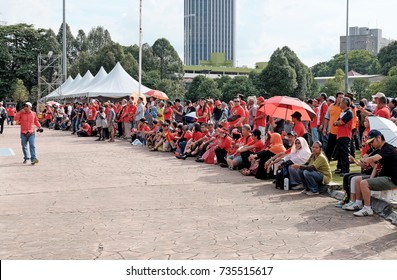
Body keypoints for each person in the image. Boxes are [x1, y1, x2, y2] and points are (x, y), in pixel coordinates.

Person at [345, 130, 397, 217]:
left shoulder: (388, 148)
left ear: (379, 138)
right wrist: (371, 178)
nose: (371, 144)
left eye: (372, 141)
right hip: (383, 177)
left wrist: (366, 159)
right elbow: (376, 166)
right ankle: (358, 203)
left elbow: (374, 159)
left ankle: (367, 208)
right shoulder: (380, 149)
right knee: (357, 180)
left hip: (391, 179)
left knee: (364, 183)